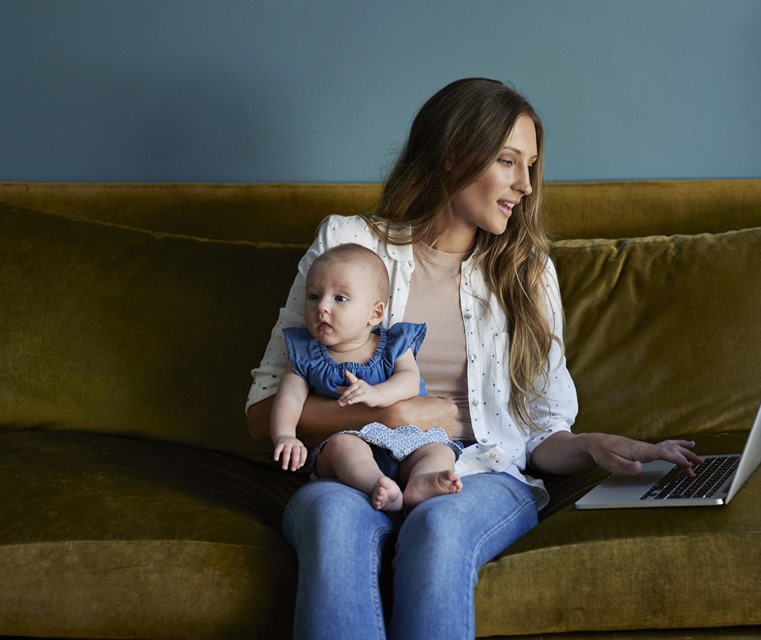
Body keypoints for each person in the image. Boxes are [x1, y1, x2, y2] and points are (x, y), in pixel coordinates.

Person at [246, 77, 703, 640]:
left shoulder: (528, 270)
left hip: (480, 472)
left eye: (531, 166)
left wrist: (589, 445)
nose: (526, 185)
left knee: (440, 527)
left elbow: (538, 434)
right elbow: (263, 407)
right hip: (353, 464)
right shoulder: (347, 243)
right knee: (333, 521)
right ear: (450, 156)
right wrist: (392, 416)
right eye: (508, 161)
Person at [270, 243, 463, 512]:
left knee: (439, 450)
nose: (322, 307)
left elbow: (409, 379)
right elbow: (289, 397)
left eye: (340, 298)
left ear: (375, 313)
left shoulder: (393, 344)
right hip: (348, 441)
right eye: (314, 296)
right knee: (342, 446)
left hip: (407, 440)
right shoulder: (306, 354)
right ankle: (377, 484)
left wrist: (378, 394)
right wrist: (285, 436)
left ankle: (421, 481)